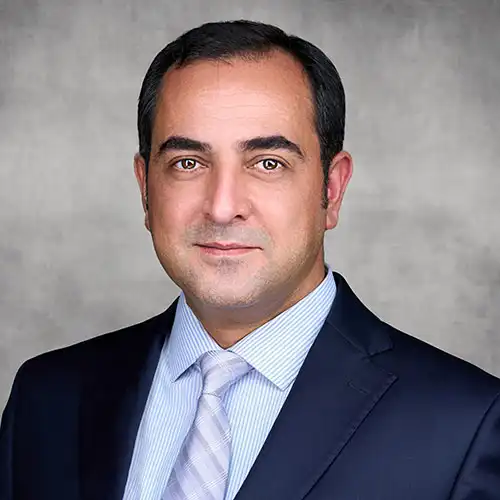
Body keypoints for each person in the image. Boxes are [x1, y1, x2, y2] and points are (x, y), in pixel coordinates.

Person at [1, 19, 499, 500]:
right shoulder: (47, 400)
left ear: (332, 187)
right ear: (145, 188)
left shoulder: (466, 425)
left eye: (267, 163)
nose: (222, 206)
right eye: (188, 163)